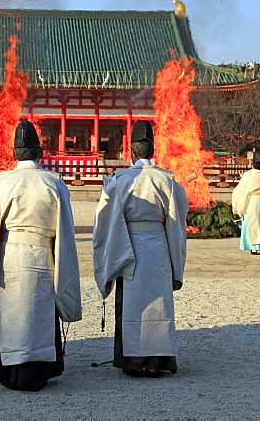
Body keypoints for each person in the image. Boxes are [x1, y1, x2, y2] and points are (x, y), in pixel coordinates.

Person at [0, 120, 82, 392]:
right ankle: (41, 369)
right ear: (40, 152)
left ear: (14, 153)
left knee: (13, 313)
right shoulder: (54, 184)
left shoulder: (3, 184)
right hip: (43, 254)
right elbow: (65, 232)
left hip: (11, 254)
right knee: (40, 312)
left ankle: (11, 371)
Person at [92, 120, 188, 378]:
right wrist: (176, 265)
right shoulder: (166, 180)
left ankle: (134, 360)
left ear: (131, 151)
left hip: (129, 246)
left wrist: (108, 263)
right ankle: (159, 359)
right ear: (153, 149)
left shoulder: (119, 181)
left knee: (132, 303)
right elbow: (176, 223)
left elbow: (105, 223)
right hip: (158, 245)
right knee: (159, 301)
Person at [231, 151, 260, 255]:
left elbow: (241, 189)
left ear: (252, 164)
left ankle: (254, 248)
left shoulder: (248, 175)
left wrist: (242, 178)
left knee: (250, 225)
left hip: (251, 201)